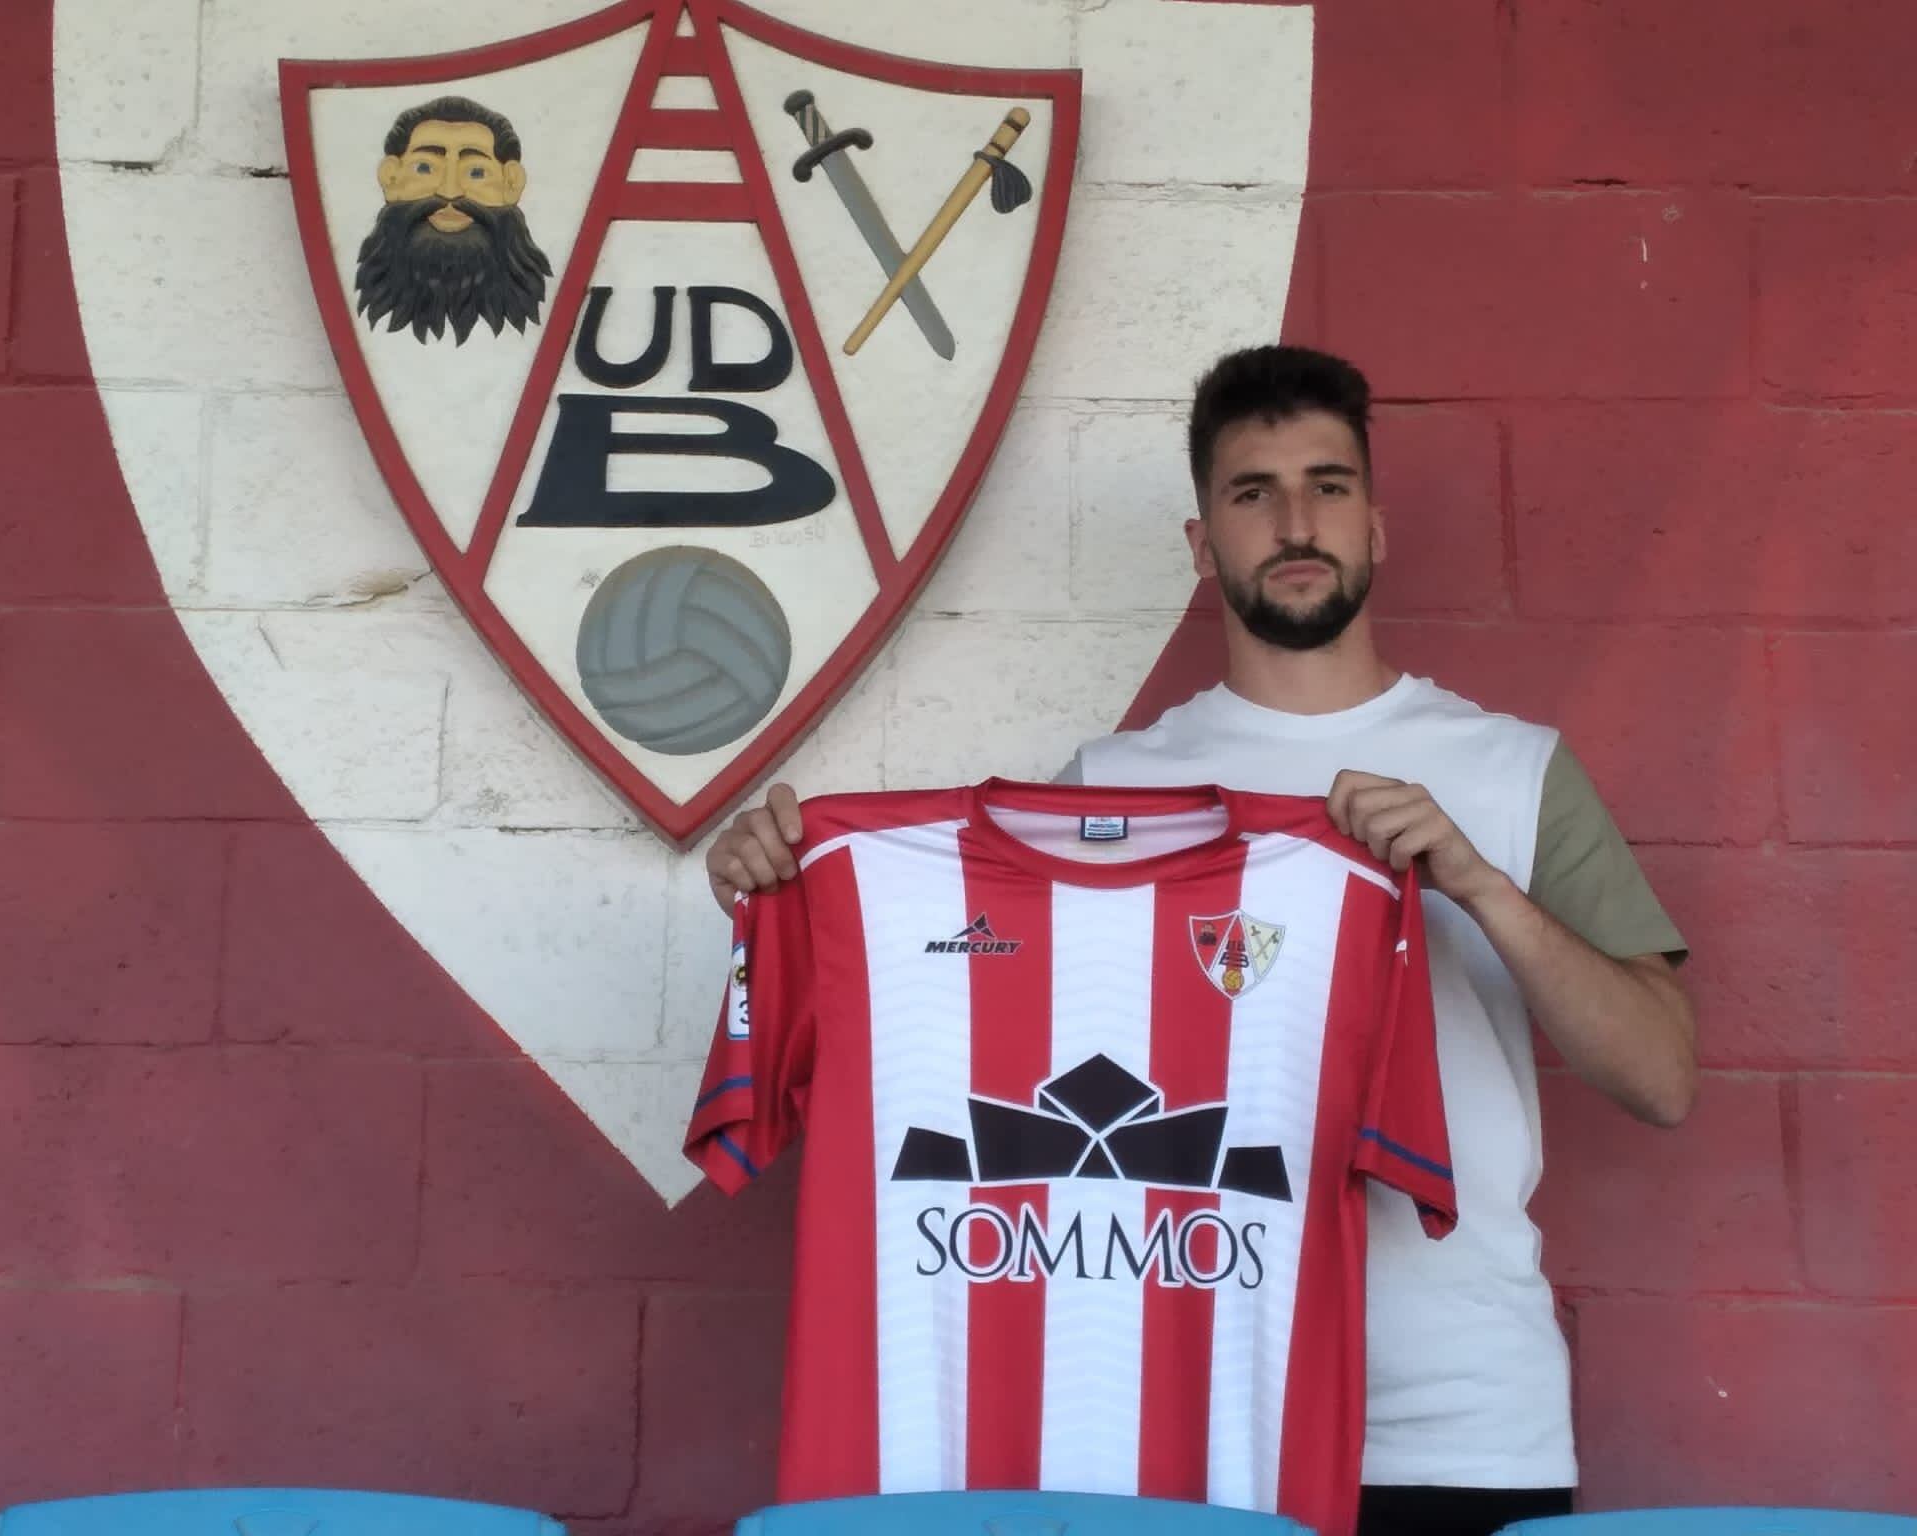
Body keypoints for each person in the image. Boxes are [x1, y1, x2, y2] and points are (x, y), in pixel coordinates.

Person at [702, 344, 1695, 1536]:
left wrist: (1477, 886)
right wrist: (784, 894)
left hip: (1454, 1420)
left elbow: (1661, 1077)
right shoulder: (1104, 790)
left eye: (1327, 486)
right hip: (1172, 1418)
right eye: (1251, 492)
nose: (1295, 523)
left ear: (1374, 526)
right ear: (1199, 541)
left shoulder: (1513, 770)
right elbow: (964, 1018)